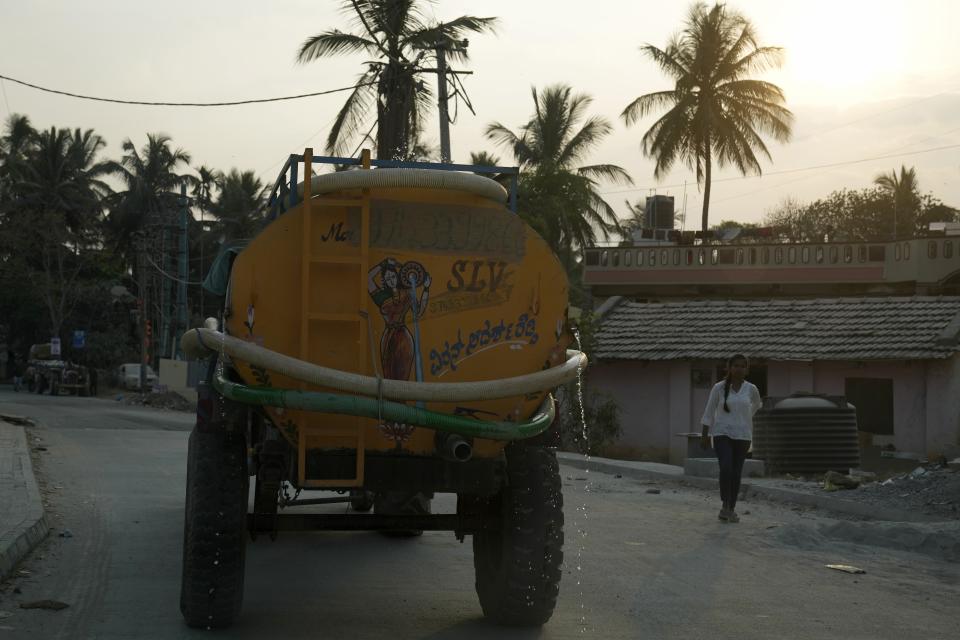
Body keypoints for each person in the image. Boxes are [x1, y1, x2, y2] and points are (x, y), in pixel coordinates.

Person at [699, 354, 762, 523]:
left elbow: (757, 404)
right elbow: (709, 411)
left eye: (742, 366)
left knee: (736, 472)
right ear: (729, 367)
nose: (739, 369)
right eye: (735, 365)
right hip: (722, 434)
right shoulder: (719, 388)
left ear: (747, 370)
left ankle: (731, 509)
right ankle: (724, 504)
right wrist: (704, 435)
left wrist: (746, 418)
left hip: (742, 436)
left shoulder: (751, 389)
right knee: (726, 468)